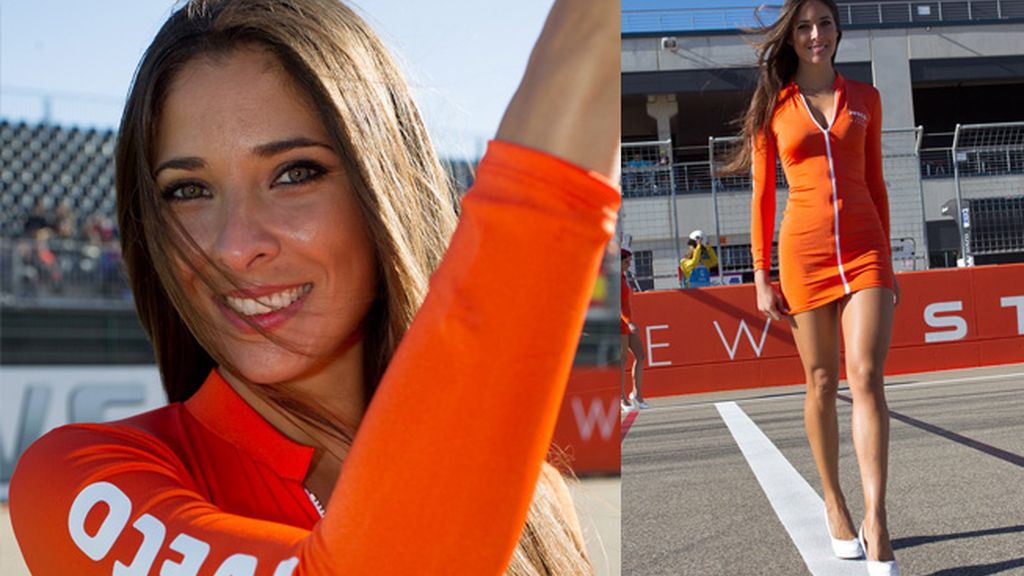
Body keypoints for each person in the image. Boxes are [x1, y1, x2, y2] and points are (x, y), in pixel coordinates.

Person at [9, 1, 619, 574]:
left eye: (294, 174)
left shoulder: (534, 501)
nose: (233, 245)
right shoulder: (76, 485)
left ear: (383, 187)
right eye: (187, 190)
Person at [723, 1, 900, 574]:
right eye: (803, 26)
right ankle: (834, 500)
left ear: (838, 31)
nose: (815, 34)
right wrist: (759, 272)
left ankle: (877, 519)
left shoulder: (868, 99)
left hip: (867, 248)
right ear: (792, 38)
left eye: (823, 23)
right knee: (821, 381)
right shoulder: (773, 105)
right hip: (804, 254)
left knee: (867, 375)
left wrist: (890, 265)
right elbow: (761, 196)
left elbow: (876, 183)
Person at [620, 248, 648, 411]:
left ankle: (636, 394)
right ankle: (621, 397)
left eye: (630, 261)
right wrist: (629, 322)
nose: (629, 264)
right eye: (626, 261)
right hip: (619, 323)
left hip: (627, 322)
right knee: (622, 360)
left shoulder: (623, 276)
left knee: (640, 355)